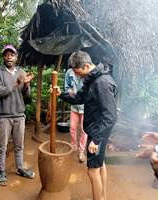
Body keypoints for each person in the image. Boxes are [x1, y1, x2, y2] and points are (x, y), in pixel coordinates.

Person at [54, 50, 117, 200]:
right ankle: (102, 197)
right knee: (100, 165)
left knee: (92, 171)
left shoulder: (102, 83)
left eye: (78, 72)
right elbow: (80, 97)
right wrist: (61, 94)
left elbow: (110, 116)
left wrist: (96, 139)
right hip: (96, 129)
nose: (77, 76)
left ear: (87, 65)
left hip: (98, 131)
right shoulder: (92, 79)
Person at [0, 45, 35, 186]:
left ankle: (20, 168)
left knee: (19, 145)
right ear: (3, 57)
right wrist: (17, 83)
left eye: (12, 54)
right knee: (2, 146)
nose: (9, 57)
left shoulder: (21, 72)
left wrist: (27, 86)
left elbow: (27, 98)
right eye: (6, 54)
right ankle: (1, 172)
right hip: (4, 116)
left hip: (19, 115)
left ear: (16, 57)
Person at [64, 68, 87, 162]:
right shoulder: (69, 72)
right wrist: (70, 92)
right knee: (72, 128)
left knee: (84, 130)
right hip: (74, 106)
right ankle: (73, 146)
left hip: (85, 107)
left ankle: (81, 151)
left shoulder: (86, 72)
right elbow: (66, 87)